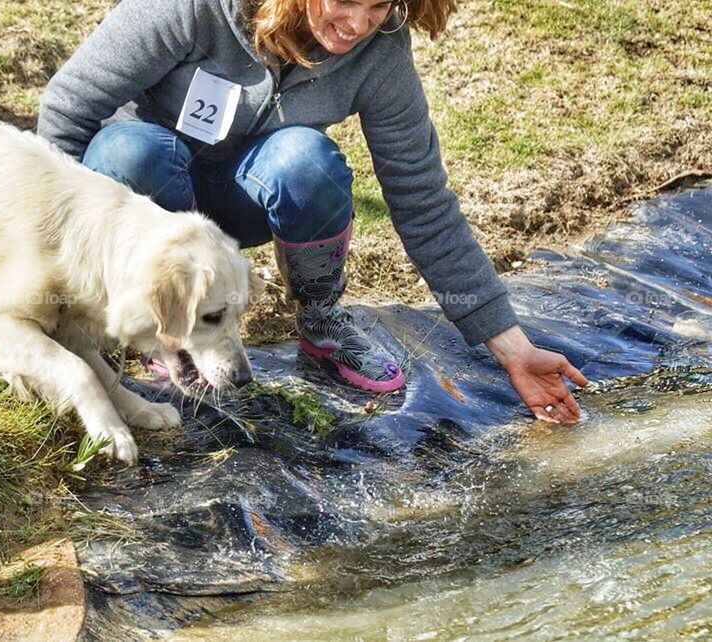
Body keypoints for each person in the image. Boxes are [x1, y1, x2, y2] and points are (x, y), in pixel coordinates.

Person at [37, 0, 589, 423]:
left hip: (240, 205)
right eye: (345, 1)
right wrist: (52, 278)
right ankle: (168, 326)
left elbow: (422, 201)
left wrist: (512, 346)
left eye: (378, 7)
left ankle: (322, 323)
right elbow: (66, 111)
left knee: (308, 161)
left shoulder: (381, 52)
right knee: (128, 151)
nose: (356, 24)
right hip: (143, 196)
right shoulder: (194, 8)